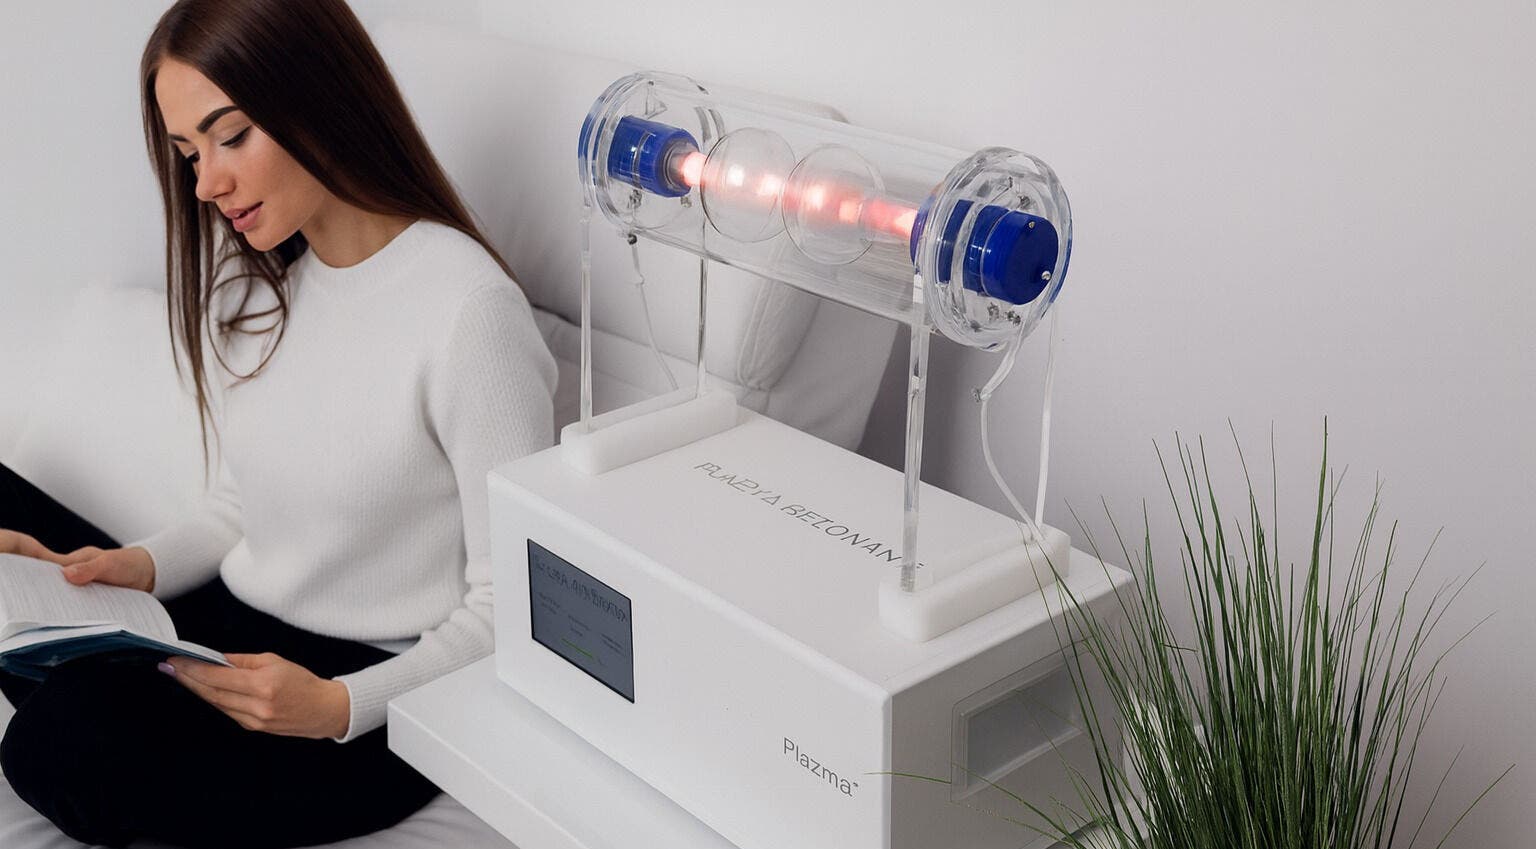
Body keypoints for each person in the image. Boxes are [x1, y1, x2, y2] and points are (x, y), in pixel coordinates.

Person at [0, 0, 556, 846]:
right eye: (189, 152)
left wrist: (336, 706)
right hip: (232, 634)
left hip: (367, 697)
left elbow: (513, 608)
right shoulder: (272, 279)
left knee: (62, 735)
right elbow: (237, 507)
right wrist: (132, 566)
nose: (206, 183)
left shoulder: (467, 311)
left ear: (318, 97)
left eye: (231, 136)